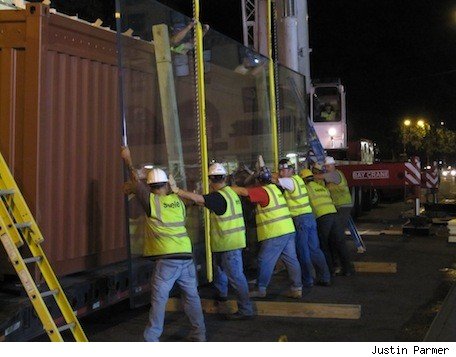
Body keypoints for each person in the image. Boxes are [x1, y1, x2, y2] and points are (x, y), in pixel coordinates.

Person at [120, 147, 206, 342]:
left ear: (151, 187)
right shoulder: (178, 201)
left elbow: (135, 181)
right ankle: (199, 334)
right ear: (167, 184)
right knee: (192, 297)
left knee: (159, 300)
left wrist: (127, 159)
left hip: (167, 259)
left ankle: (151, 338)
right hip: (186, 255)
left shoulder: (151, 201)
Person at [168, 162, 254, 321]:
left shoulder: (218, 197)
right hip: (229, 243)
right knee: (221, 272)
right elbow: (203, 201)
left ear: (210, 180)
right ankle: (221, 297)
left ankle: (246, 309)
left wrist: (177, 190)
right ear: (225, 178)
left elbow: (199, 198)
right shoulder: (230, 193)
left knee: (236, 277)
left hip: (228, 244)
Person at [231, 163, 303, 299]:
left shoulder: (262, 191)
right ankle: (297, 288)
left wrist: (228, 189)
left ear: (258, 181)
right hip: (288, 229)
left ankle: (261, 288)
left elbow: (244, 192)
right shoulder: (275, 189)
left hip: (275, 233)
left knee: (264, 260)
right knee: (291, 260)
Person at [275, 159, 331, 287]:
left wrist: (266, 174)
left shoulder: (290, 181)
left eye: (284, 170)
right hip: (309, 218)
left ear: (291, 170)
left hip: (300, 220)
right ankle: (325, 277)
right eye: (281, 170)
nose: (282, 173)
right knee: (315, 250)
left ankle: (307, 280)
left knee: (303, 251)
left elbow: (275, 180)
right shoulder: (299, 180)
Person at [300, 169, 353, 277]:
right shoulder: (322, 188)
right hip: (334, 215)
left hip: (322, 218)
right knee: (339, 243)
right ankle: (347, 270)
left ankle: (329, 270)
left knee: (324, 245)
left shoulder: (305, 189)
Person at [315, 156, 353, 237]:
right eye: (326, 167)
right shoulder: (332, 177)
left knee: (339, 229)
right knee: (337, 229)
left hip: (343, 205)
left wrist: (309, 176)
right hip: (338, 205)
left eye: (328, 166)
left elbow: (320, 177)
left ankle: (340, 247)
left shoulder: (335, 174)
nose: (327, 168)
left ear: (333, 165)